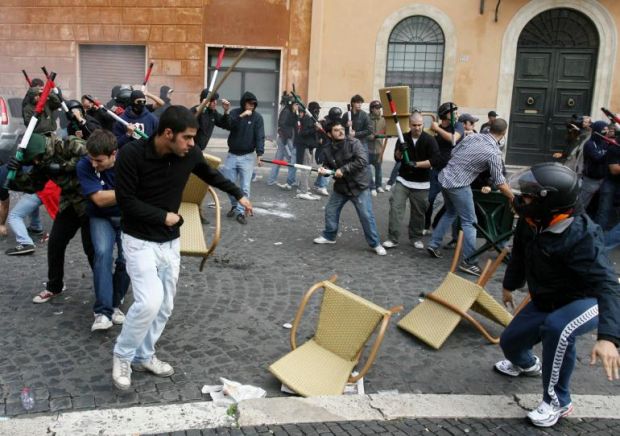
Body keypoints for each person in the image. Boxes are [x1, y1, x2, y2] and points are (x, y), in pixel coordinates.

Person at [112, 105, 252, 390]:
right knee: (148, 302)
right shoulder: (131, 155)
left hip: (169, 242)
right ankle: (122, 356)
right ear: (167, 133)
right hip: (138, 240)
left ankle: (145, 355)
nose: (192, 144)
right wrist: (164, 216)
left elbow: (211, 175)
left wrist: (239, 194)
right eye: (187, 137)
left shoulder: (189, 154)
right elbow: (125, 201)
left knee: (164, 305)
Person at [495, 162, 620, 428]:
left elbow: (608, 285)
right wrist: (510, 284)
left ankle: (558, 402)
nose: (521, 198)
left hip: (586, 299)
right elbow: (519, 254)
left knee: (558, 328)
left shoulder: (583, 235)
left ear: (548, 202)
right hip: (547, 297)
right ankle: (528, 364)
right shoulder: (532, 220)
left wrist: (609, 338)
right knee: (510, 342)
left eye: (528, 194)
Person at [7, 133, 94, 303]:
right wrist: (16, 172)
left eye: (37, 159)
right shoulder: (41, 162)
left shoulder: (69, 143)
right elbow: (33, 185)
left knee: (92, 250)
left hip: (91, 203)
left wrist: (63, 166)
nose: (37, 163)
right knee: (55, 244)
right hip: (69, 204)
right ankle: (55, 286)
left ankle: (105, 293)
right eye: (34, 161)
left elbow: (93, 156)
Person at [426, 119, 513, 276]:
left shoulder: (473, 137)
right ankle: (469, 261)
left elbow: (453, 152)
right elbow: (500, 182)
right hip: (458, 184)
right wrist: (513, 197)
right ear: (504, 133)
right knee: (470, 222)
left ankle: (433, 243)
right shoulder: (493, 153)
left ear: (490, 127)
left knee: (450, 212)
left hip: (444, 178)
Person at [76, 130, 129, 332]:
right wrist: (128, 191)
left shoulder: (128, 161)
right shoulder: (84, 164)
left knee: (127, 260)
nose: (93, 164)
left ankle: (115, 304)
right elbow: (98, 199)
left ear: (113, 154)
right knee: (102, 255)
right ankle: (102, 312)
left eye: (99, 160)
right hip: (100, 216)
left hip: (127, 217)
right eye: (91, 159)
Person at [313, 120, 386, 256]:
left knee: (366, 215)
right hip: (341, 187)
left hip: (359, 186)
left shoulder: (354, 143)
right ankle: (329, 236)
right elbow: (328, 165)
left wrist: (343, 169)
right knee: (331, 210)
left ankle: (375, 243)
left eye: (342, 129)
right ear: (329, 134)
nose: (341, 131)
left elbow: (362, 161)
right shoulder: (328, 149)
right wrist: (325, 170)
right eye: (336, 130)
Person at [382, 112, 440, 250]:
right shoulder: (403, 138)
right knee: (396, 208)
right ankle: (393, 238)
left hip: (422, 183)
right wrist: (400, 152)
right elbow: (397, 158)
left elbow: (435, 160)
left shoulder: (430, 140)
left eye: (420, 125)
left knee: (418, 212)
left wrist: (417, 164)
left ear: (423, 125)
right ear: (409, 125)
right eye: (414, 125)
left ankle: (416, 237)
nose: (417, 128)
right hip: (403, 180)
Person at [220, 91, 264, 225]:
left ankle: (240, 212)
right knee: (228, 183)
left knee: (245, 187)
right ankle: (234, 204)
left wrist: (259, 154)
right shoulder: (235, 113)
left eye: (254, 104)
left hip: (247, 157)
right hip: (232, 154)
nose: (251, 106)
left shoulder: (257, 118)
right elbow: (228, 125)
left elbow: (259, 136)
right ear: (243, 103)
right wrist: (242, 115)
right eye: (249, 104)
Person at [426, 102, 464, 230]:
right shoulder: (435, 128)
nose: (455, 114)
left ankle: (437, 222)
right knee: (429, 199)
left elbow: (453, 139)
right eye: (452, 112)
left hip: (451, 171)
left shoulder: (458, 125)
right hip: (436, 169)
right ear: (444, 114)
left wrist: (437, 129)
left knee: (451, 201)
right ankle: (425, 224)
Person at [267, 93, 298, 189]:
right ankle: (291, 181)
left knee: (278, 159)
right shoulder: (286, 111)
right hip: (284, 139)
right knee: (291, 159)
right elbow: (282, 124)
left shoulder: (290, 111)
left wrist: (295, 113)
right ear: (291, 104)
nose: (297, 106)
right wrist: (286, 139)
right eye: (295, 104)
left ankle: (271, 180)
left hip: (284, 138)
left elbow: (292, 123)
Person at [294, 101, 322, 201]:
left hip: (309, 147)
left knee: (307, 169)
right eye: (317, 109)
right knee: (305, 169)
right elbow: (303, 133)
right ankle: (303, 191)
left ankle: (303, 188)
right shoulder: (307, 119)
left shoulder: (312, 118)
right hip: (305, 147)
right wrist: (315, 129)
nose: (318, 111)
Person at [580, 121, 609, 211]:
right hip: (590, 180)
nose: (606, 132)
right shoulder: (590, 144)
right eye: (604, 129)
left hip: (602, 179)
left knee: (597, 206)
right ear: (597, 130)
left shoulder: (605, 143)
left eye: (607, 129)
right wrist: (611, 152)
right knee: (582, 204)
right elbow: (598, 159)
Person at [313, 106, 342, 196]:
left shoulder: (336, 122)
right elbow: (318, 132)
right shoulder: (325, 122)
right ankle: (322, 186)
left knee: (325, 166)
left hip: (332, 146)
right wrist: (320, 136)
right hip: (326, 147)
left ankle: (318, 184)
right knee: (329, 166)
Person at [368, 100, 386, 194]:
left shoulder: (383, 119)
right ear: (371, 109)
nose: (379, 110)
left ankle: (379, 186)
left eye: (379, 108)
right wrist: (368, 136)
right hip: (368, 149)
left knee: (379, 169)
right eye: (376, 108)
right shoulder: (366, 118)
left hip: (379, 149)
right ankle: (372, 187)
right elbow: (362, 131)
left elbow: (387, 131)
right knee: (368, 170)